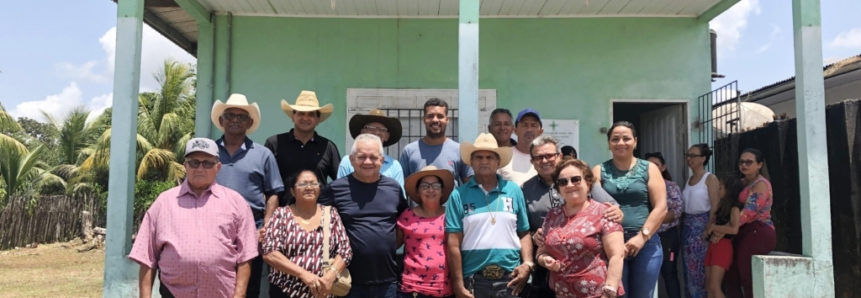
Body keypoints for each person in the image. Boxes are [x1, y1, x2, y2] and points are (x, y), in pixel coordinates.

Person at [129, 138, 258, 298]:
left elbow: (246, 255)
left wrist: (239, 295)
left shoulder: (236, 202)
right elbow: (147, 255)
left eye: (207, 163)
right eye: (194, 162)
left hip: (221, 293)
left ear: (217, 167)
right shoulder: (164, 202)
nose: (200, 168)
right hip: (173, 293)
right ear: (185, 166)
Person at [522, 135, 624, 298]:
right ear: (532, 161)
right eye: (539, 157)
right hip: (555, 285)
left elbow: (616, 251)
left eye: (549, 155)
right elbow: (524, 230)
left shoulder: (596, 201)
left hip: (596, 292)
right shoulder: (527, 190)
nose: (569, 185)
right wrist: (537, 240)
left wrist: (609, 291)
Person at [212, 93, 285, 297]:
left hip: (251, 231)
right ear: (221, 120)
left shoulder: (263, 154)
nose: (235, 119)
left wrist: (267, 225)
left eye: (241, 116)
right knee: (215, 283)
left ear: (250, 122)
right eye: (230, 115)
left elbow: (273, 193)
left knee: (249, 288)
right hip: (213, 229)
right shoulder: (209, 153)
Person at [319, 134, 409, 298]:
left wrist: (388, 245)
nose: (367, 162)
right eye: (361, 157)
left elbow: (406, 221)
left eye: (373, 157)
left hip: (387, 281)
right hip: (347, 281)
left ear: (382, 160)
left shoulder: (393, 188)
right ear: (352, 160)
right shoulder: (336, 189)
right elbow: (313, 216)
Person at [445, 133, 533, 298]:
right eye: (478, 157)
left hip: (511, 279)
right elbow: (453, 244)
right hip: (473, 279)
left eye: (489, 157)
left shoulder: (514, 190)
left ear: (498, 162)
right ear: (471, 162)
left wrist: (527, 264)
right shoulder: (458, 195)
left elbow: (524, 233)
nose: (484, 161)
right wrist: (457, 285)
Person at [593, 121, 667, 298]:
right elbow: (593, 207)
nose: (621, 143)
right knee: (617, 295)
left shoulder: (650, 168)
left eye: (626, 138)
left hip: (646, 244)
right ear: (608, 143)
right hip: (611, 244)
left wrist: (641, 237)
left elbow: (661, 207)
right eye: (615, 139)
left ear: (635, 141)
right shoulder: (599, 170)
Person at [262, 170, 352, 298]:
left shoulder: (331, 214)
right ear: (292, 191)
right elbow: (270, 253)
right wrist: (304, 275)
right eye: (303, 184)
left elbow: (345, 250)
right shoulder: (281, 215)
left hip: (323, 291)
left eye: (313, 183)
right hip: (286, 290)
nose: (309, 187)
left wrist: (330, 277)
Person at [266, 90, 341, 206]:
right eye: (301, 113)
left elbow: (340, 183)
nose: (305, 118)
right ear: (293, 116)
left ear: (318, 120)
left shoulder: (328, 147)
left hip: (318, 215)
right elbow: (264, 182)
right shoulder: (274, 143)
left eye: (311, 114)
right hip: (282, 215)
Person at [721, 148, 776, 298]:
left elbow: (748, 213)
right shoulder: (741, 183)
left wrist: (722, 230)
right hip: (739, 231)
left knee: (748, 276)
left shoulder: (761, 185)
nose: (744, 165)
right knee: (731, 276)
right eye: (741, 162)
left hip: (758, 231)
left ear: (759, 164)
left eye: (749, 162)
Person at [396, 166, 456, 298]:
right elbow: (393, 245)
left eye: (435, 185)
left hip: (446, 289)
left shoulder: (451, 215)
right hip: (413, 289)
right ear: (417, 191)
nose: (430, 190)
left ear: (442, 190)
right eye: (424, 186)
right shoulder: (407, 216)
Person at [400, 98, 473, 187]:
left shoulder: (459, 150)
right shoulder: (409, 151)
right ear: (424, 119)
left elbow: (470, 186)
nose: (435, 120)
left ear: (447, 119)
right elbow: (403, 189)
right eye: (430, 116)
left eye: (440, 116)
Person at [681, 144, 720, 298]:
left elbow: (715, 205)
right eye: (688, 155)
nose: (689, 159)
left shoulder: (710, 178)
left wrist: (709, 227)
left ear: (703, 158)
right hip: (687, 227)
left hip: (702, 226)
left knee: (700, 269)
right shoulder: (689, 179)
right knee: (688, 269)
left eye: (693, 155)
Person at [645, 152, 682, 298]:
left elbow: (676, 212)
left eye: (656, 165)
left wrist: (653, 220)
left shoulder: (671, 187)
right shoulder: (640, 187)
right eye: (649, 165)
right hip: (645, 236)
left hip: (667, 237)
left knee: (669, 273)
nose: (652, 168)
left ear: (663, 167)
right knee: (646, 273)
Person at [338, 109, 404, 186]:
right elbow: (340, 191)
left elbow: (398, 196)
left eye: (382, 129)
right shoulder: (347, 162)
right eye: (371, 128)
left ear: (387, 136)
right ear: (362, 132)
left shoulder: (394, 166)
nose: (376, 132)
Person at [704, 176, 743, 298]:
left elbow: (734, 229)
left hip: (723, 247)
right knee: (709, 286)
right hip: (713, 245)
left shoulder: (734, 208)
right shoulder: (720, 207)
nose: (718, 190)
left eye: (720, 188)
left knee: (715, 286)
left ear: (729, 190)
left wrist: (714, 228)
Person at [498, 109, 544, 186]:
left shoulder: (548, 159)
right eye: (524, 125)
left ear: (541, 131)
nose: (529, 129)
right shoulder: (503, 156)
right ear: (515, 130)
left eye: (534, 125)